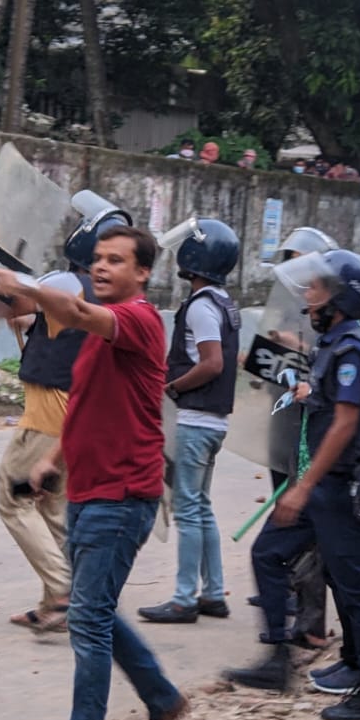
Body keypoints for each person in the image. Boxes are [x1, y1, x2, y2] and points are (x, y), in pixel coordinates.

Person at [0, 226, 186, 720]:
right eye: (97, 259)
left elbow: (73, 308)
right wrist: (53, 456)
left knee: (88, 619)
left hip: (122, 496)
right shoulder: (98, 332)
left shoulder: (138, 320)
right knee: (98, 611)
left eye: (116, 261)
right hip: (93, 490)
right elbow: (88, 404)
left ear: (142, 272)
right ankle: (163, 700)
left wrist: (21, 283)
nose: (102, 268)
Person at [223, 251, 360, 720]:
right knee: (268, 554)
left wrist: (305, 485)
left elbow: (344, 425)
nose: (308, 295)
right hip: (320, 488)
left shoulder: (354, 351)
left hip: (341, 488)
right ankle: (277, 659)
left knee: (356, 587)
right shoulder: (333, 345)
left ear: (341, 299)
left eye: (317, 288)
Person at [0, 194, 131, 634]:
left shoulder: (65, 284)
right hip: (73, 415)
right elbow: (23, 317)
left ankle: (61, 590)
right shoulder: (104, 297)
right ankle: (59, 602)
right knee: (53, 508)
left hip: (45, 416)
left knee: (14, 500)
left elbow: (16, 302)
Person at [140, 218, 242, 624]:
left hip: (196, 420)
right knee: (201, 507)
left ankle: (184, 598)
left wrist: (173, 389)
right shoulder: (224, 303)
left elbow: (213, 363)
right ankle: (213, 593)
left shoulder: (201, 307)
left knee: (187, 508)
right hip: (213, 422)